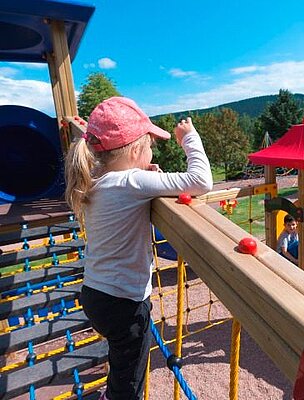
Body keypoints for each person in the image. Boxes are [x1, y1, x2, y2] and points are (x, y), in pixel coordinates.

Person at [64, 97, 213, 400]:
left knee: (121, 365)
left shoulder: (97, 179)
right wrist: (190, 139)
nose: (151, 153)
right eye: (149, 147)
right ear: (135, 151)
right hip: (125, 303)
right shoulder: (132, 182)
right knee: (130, 380)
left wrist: (149, 173)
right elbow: (201, 180)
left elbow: (131, 185)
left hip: (95, 295)